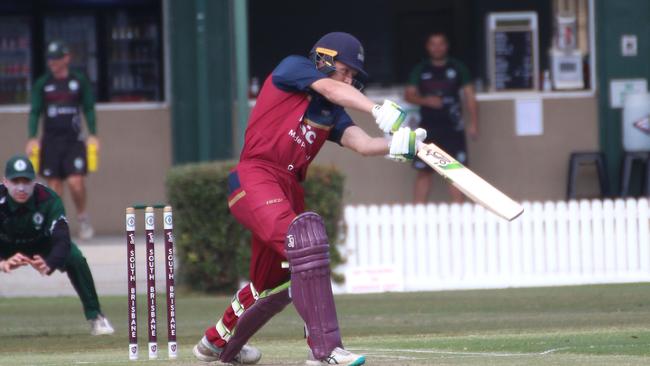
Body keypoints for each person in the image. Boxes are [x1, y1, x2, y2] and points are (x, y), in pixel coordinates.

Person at [192, 32, 426, 365]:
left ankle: (216, 344)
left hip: (287, 187)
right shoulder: (294, 68)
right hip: (256, 175)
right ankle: (325, 351)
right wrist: (375, 107)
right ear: (324, 58)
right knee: (305, 245)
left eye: (354, 77)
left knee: (273, 284)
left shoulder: (330, 111)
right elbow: (331, 88)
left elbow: (362, 144)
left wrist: (401, 144)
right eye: (346, 71)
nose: (349, 80)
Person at [0, 154, 113, 335]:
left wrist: (50, 262)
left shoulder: (49, 199)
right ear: (5, 182)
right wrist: (2, 263)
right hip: (5, 246)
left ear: (34, 182)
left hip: (42, 245)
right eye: (15, 181)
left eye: (26, 181)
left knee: (75, 258)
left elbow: (62, 239)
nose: (21, 187)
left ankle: (96, 316)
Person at [25, 40, 98, 240]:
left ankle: (83, 218)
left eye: (56, 58)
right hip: (51, 141)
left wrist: (93, 134)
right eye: (50, 59)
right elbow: (35, 112)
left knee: (76, 182)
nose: (52, 63)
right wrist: (32, 138)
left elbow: (89, 108)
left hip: (74, 141)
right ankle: (58, 224)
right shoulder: (43, 84)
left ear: (67, 58)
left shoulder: (78, 81)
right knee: (54, 186)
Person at [405, 32, 479, 203]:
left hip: (453, 129)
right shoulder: (420, 69)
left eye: (441, 43)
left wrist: (474, 124)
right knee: (424, 171)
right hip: (427, 129)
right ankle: (417, 216)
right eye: (433, 44)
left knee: (455, 172)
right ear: (428, 47)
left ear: (447, 46)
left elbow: (470, 97)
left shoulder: (458, 67)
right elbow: (409, 95)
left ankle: (459, 217)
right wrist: (426, 100)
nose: (437, 47)